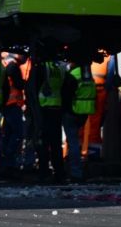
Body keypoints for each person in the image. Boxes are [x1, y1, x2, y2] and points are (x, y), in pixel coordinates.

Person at [60, 45, 97, 182]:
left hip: (72, 111)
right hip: (84, 112)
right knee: (76, 142)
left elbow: (66, 95)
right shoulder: (87, 74)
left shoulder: (72, 75)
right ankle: (75, 169)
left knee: (73, 143)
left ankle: (75, 172)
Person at [36, 57, 66, 184]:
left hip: (43, 109)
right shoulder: (61, 67)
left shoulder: (43, 65)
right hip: (57, 108)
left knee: (43, 143)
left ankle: (44, 173)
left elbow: (34, 86)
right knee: (56, 145)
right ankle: (59, 174)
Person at [0, 50, 26, 176]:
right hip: (13, 104)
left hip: (7, 104)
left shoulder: (5, 64)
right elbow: (19, 85)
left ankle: (6, 163)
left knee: (8, 134)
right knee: (17, 134)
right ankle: (9, 160)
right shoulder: (13, 66)